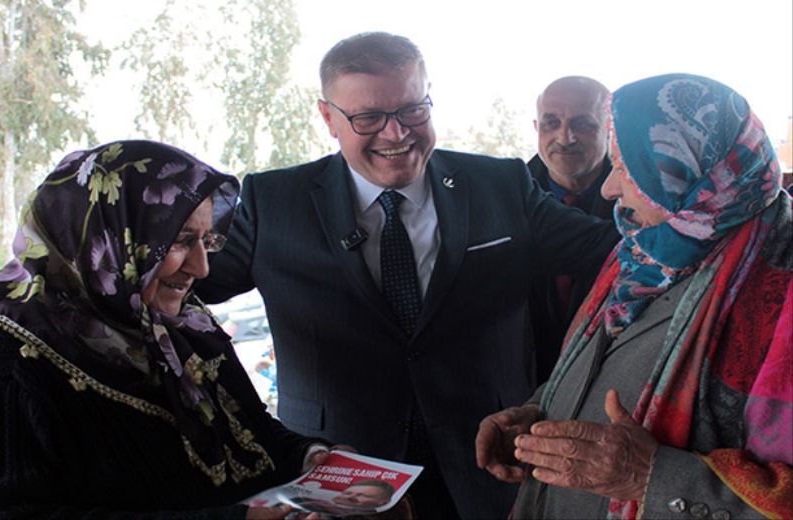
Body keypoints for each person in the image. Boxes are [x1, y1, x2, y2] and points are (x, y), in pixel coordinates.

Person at [195, 32, 619, 519]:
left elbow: (615, 253)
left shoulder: (499, 184)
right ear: (328, 117)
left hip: (492, 465)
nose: (396, 134)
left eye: (413, 111)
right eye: (369, 118)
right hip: (346, 473)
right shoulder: (273, 203)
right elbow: (177, 289)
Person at [475, 73, 792, 519]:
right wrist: (540, 415)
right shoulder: (646, 251)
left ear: (689, 168)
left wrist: (653, 477)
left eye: (626, 169)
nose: (608, 190)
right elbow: (606, 365)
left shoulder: (779, 281)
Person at [0, 140, 337, 519]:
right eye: (179, 241)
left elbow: (249, 428)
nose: (201, 267)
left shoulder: (182, 322)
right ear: (107, 237)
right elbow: (4, 512)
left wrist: (310, 455)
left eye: (206, 240)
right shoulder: (3, 356)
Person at [526, 76, 616, 382]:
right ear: (537, 128)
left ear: (609, 129)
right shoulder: (497, 202)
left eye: (583, 124)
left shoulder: (643, 206)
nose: (565, 137)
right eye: (551, 123)